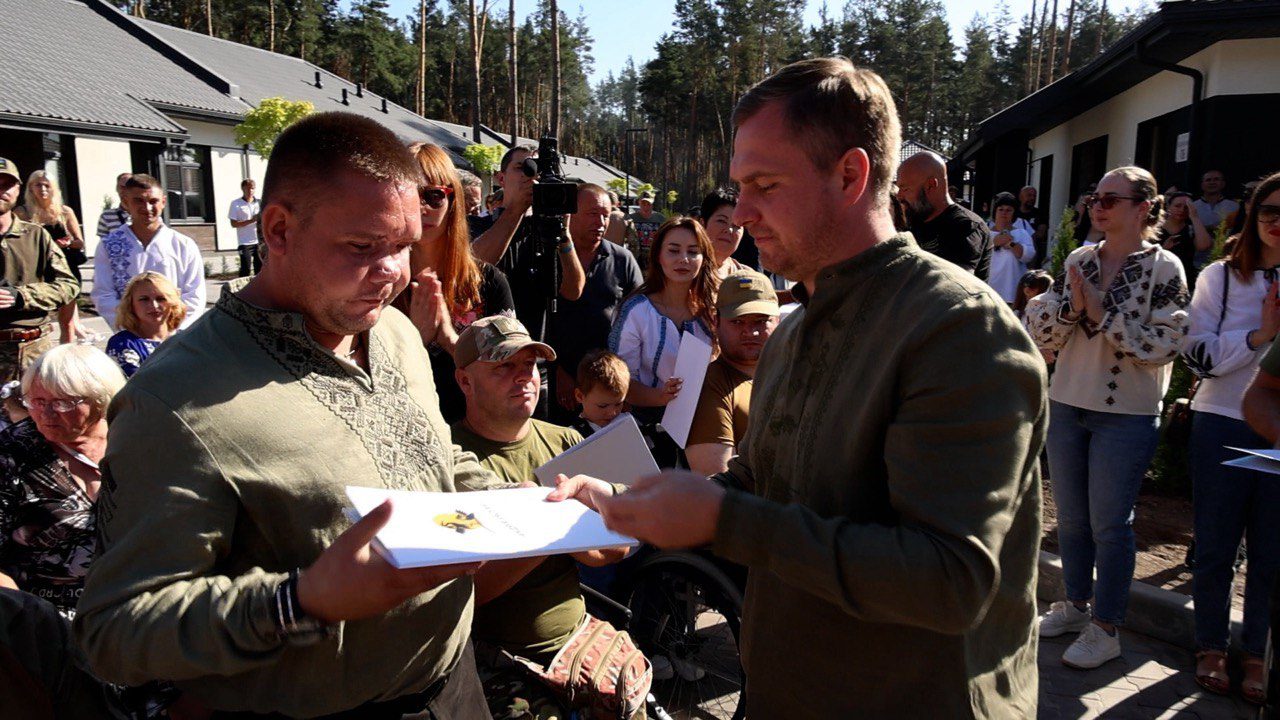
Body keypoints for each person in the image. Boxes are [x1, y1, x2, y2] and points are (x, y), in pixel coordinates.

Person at [554, 57, 1046, 717]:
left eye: (764, 184)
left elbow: (948, 581)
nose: (741, 212)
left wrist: (722, 517)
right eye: (738, 185)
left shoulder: (958, 331)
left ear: (850, 174)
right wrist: (642, 503)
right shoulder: (793, 331)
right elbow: (770, 490)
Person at [74, 112, 512, 718]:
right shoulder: (172, 402)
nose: (393, 274)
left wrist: (530, 510)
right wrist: (298, 602)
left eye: (404, 246)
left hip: (456, 685)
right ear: (277, 229)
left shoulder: (393, 332)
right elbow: (113, 633)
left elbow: (433, 458)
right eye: (362, 247)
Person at [1026, 166, 1190, 669]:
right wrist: (1074, 311)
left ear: (1143, 208)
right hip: (1070, 404)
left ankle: (1107, 627)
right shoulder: (1080, 259)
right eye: (1094, 197)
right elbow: (1038, 328)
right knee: (1071, 521)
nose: (1098, 206)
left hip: (1126, 416)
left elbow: (1165, 345)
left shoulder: (1166, 269)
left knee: (1110, 525)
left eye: (1111, 198)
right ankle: (1075, 607)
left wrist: (1100, 313)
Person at [448, 317, 635, 713]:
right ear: (465, 381)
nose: (525, 378)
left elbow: (618, 547)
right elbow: (466, 594)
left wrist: (551, 529)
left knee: (631, 690)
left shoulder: (565, 442)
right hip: (493, 656)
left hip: (578, 638)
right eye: (504, 367)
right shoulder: (449, 460)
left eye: (531, 366)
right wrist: (553, 528)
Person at [1184, 171, 1280, 705]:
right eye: (1269, 211)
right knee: (1217, 545)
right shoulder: (1221, 278)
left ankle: (1257, 651)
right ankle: (1211, 644)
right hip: (1221, 419)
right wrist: (1259, 336)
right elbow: (1197, 356)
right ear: (1251, 214)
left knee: (1271, 551)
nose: (1277, 223)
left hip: (1279, 432)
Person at [0, 344, 126, 618]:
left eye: (63, 402)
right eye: (36, 401)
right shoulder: (10, 456)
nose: (45, 415)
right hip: (48, 614)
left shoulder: (134, 438)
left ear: (101, 399)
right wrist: (29, 618)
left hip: (134, 599)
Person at [395, 142, 515, 424]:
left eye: (433, 195)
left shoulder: (488, 282)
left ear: (453, 202)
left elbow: (511, 370)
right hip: (405, 428)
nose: (420, 206)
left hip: (475, 431)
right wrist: (416, 340)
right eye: (408, 194)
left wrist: (450, 339)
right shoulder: (378, 283)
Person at [548, 184, 644, 417]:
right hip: (558, 378)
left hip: (607, 384)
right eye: (593, 214)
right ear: (570, 215)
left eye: (606, 215)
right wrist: (559, 369)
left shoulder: (622, 259)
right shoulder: (549, 255)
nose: (601, 222)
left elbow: (639, 318)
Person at [608, 217, 717, 417]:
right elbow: (621, 381)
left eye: (693, 252)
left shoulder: (712, 311)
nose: (683, 259)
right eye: (673, 250)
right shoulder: (636, 311)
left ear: (704, 259)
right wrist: (661, 396)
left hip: (705, 418)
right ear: (659, 256)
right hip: (648, 424)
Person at [685, 271, 778, 476]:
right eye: (737, 322)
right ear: (715, 322)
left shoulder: (791, 371)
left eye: (761, 321)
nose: (750, 332)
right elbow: (717, 486)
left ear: (778, 321)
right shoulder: (709, 385)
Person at [0, 158, 80, 383]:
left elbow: (68, 285)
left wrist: (22, 296)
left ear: (17, 189)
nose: (1, 191)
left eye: (7, 184)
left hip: (34, 352)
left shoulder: (37, 236)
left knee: (43, 417)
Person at [91, 174, 206, 330]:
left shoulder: (183, 245)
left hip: (174, 337)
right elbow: (103, 294)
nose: (147, 208)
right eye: (138, 201)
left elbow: (195, 295)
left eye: (153, 201)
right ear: (126, 203)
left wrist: (172, 331)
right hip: (130, 336)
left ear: (163, 202)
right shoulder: (109, 245)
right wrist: (132, 329)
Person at [896, 151, 993, 279]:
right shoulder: (914, 221)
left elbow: (953, 287)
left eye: (905, 189)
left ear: (931, 185)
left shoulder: (965, 226)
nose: (899, 196)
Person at [18, 171, 89, 344]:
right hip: (37, 269)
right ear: (30, 188)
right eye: (38, 184)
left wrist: (68, 243)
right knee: (36, 321)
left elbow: (80, 242)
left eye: (47, 185)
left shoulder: (64, 212)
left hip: (64, 268)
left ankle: (67, 356)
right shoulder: (22, 212)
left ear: (54, 189)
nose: (43, 189)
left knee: (67, 322)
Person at [105, 271, 185, 377]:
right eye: (144, 299)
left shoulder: (187, 340)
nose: (154, 305)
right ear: (131, 305)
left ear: (173, 303)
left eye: (161, 299)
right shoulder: (122, 344)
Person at [987, 192, 1037, 303]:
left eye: (1009, 210)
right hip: (988, 292)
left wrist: (1011, 244)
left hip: (1012, 293)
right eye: (1001, 209)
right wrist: (994, 243)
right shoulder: (984, 233)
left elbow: (1028, 256)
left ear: (1014, 214)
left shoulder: (1022, 233)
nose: (1004, 213)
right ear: (995, 212)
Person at [1159, 191, 1213, 290]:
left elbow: (1204, 245)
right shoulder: (1155, 229)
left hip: (1185, 280)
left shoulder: (1191, 229)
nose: (1182, 210)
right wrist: (1163, 250)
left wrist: (1194, 217)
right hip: (1160, 279)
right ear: (1168, 206)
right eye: (1177, 206)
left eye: (1186, 207)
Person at [571, 349, 630, 436]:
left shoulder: (629, 425)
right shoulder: (572, 436)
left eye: (618, 404)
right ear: (580, 396)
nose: (612, 412)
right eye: (603, 406)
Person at [701, 188, 751, 279]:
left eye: (736, 225)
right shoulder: (685, 271)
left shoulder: (747, 277)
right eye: (721, 221)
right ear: (702, 224)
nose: (729, 230)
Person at [228, 178, 261, 277]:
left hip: (259, 241)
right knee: (245, 268)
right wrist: (252, 220)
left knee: (260, 269)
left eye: (253, 189)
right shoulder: (236, 204)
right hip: (245, 242)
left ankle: (257, 291)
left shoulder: (259, 203)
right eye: (248, 189)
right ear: (243, 189)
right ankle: (242, 291)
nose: (251, 191)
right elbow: (234, 224)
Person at [626, 191, 666, 271]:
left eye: (648, 204)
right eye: (643, 204)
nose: (646, 207)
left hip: (654, 258)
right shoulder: (630, 219)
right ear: (639, 203)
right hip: (635, 258)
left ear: (652, 204)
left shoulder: (661, 219)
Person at [1017, 185, 1049, 267]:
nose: (1032, 198)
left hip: (1033, 257)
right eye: (1029, 195)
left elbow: (1040, 234)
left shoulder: (1040, 214)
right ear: (1020, 197)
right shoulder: (1014, 213)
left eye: (1034, 196)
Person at [95, 172, 131, 241]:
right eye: (122, 187)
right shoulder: (106, 216)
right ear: (117, 189)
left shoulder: (143, 213)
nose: (125, 190)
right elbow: (104, 245)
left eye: (129, 187)